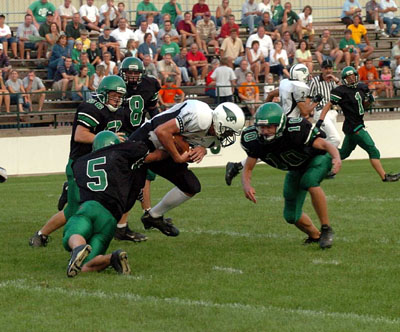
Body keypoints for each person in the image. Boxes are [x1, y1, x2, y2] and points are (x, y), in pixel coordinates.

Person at [29, 75, 145, 247]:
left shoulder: (120, 111)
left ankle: (109, 230)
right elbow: (80, 135)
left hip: (103, 164)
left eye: (120, 97)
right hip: (81, 164)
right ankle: (41, 235)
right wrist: (107, 138)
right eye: (114, 96)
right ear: (104, 93)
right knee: (74, 209)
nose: (117, 100)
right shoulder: (91, 107)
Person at [129, 100, 245, 236]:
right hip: (146, 139)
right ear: (219, 122)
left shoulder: (216, 137)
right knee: (126, 186)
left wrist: (202, 149)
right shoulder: (200, 115)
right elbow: (162, 131)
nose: (229, 136)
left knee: (191, 186)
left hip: (165, 152)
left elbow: (195, 143)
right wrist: (178, 157)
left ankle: (153, 216)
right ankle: (120, 227)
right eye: (229, 131)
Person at [240, 102, 341, 248]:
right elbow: (248, 168)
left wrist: (336, 157)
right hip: (296, 169)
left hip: (318, 159)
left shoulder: (295, 130)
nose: (265, 131)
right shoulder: (255, 140)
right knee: (291, 216)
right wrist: (247, 185)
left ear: (280, 125)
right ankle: (315, 236)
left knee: (309, 181)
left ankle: (326, 228)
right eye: (262, 127)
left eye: (269, 127)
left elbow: (325, 145)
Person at [64, 132, 152, 277]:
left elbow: (75, 196)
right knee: (86, 265)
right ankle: (113, 258)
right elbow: (140, 150)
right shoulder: (121, 160)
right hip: (110, 218)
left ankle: (79, 247)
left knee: (71, 235)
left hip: (89, 208)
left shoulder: (80, 163)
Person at [224, 64, 321, 185]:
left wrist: (264, 112)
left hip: (280, 120)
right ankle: (320, 168)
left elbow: (270, 95)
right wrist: (316, 102)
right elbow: (305, 112)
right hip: (290, 125)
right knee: (271, 150)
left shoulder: (286, 83)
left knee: (268, 150)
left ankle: (236, 166)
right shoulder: (298, 86)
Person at [318, 66, 400, 182]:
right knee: (373, 150)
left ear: (356, 76)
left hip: (355, 125)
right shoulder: (341, 91)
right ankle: (384, 176)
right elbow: (328, 104)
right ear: (345, 79)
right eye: (348, 77)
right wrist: (320, 120)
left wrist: (369, 101)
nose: (351, 79)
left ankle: (321, 162)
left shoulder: (362, 87)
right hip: (354, 126)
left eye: (352, 76)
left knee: (343, 153)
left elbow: (364, 106)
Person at [309, 59, 341, 147]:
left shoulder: (333, 81)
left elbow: (344, 90)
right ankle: (315, 150)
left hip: (332, 111)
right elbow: (309, 97)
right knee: (336, 139)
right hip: (320, 111)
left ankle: (321, 157)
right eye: (326, 68)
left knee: (328, 139)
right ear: (322, 69)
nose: (328, 70)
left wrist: (336, 80)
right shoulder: (314, 81)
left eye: (330, 68)